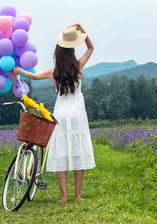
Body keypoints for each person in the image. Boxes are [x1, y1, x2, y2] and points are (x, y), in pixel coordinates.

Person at [13, 23, 96, 203]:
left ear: (57, 54)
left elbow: (33, 77)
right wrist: (83, 32)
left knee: (61, 152)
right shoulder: (79, 66)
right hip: (77, 113)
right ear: (72, 52)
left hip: (61, 113)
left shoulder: (54, 72)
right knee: (78, 151)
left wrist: (19, 70)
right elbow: (91, 47)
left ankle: (63, 196)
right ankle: (78, 195)